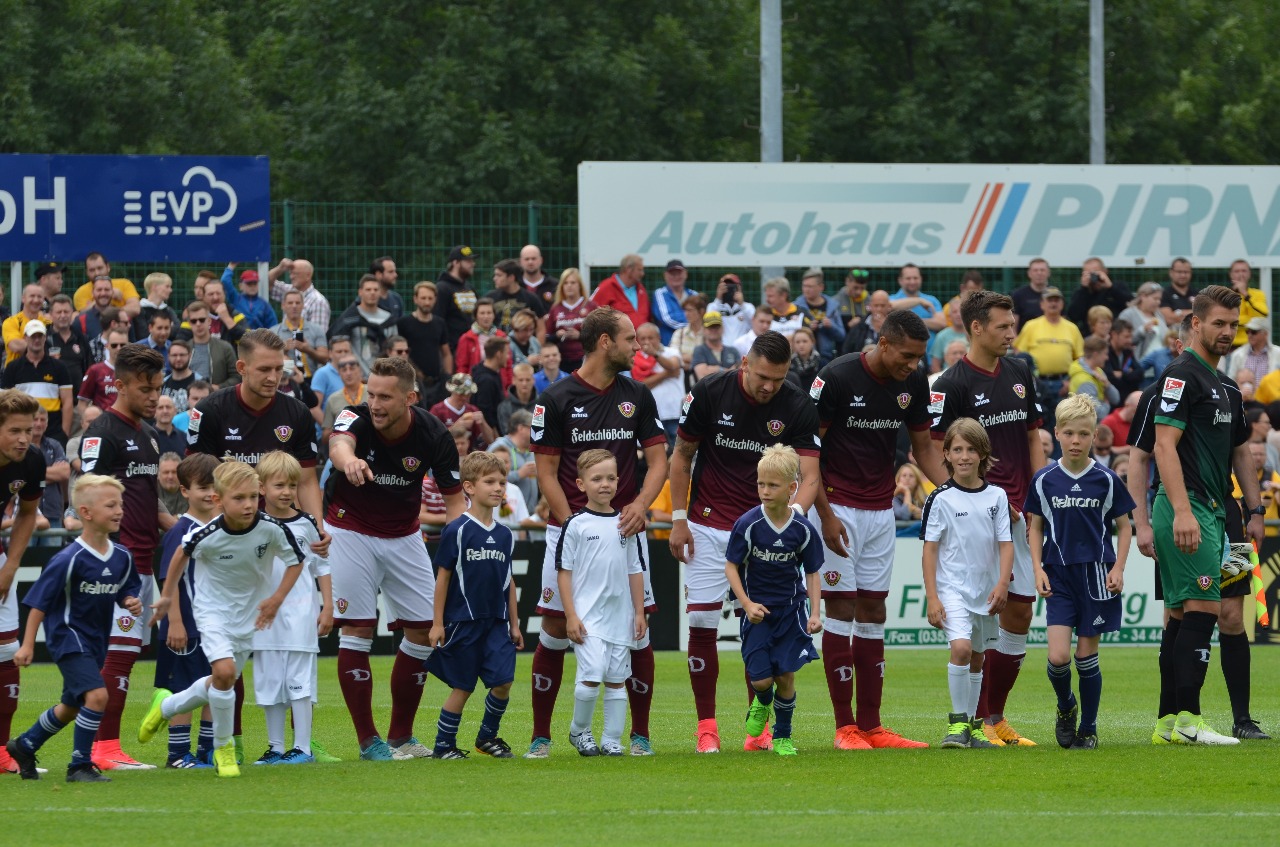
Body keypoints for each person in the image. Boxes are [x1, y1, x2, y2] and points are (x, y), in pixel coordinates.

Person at [670, 331, 820, 754]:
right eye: (762, 377)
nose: (770, 386)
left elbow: (809, 476)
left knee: (764, 626)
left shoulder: (797, 404)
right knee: (700, 623)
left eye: (778, 377)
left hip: (763, 533)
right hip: (707, 524)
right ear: (744, 365)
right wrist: (679, 519)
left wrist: (793, 523)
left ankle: (759, 731)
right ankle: (707, 728)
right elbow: (681, 456)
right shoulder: (709, 391)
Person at [527, 307, 667, 759]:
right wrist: (573, 524)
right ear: (605, 341)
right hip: (569, 530)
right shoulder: (555, 397)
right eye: (630, 339)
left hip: (626, 530)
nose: (638, 347)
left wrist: (641, 506)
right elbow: (545, 472)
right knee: (554, 624)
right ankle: (542, 736)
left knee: (635, 629)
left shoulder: (638, 396)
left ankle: (638, 735)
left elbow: (659, 461)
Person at [1128, 315, 1270, 741]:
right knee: (1186, 609)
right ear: (1186, 335)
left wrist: (1255, 509)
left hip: (1226, 510)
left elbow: (1241, 453)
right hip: (1182, 507)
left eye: (1233, 326)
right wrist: (1142, 524)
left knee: (1233, 612)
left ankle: (1242, 719)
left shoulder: (1229, 390)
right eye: (1217, 325)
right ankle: (1176, 717)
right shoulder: (1162, 392)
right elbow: (1140, 458)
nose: (1226, 334)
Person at [807, 309, 945, 750]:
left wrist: (955, 492)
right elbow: (809, 454)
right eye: (906, 355)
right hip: (837, 508)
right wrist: (825, 515)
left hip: (881, 511)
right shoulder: (837, 377)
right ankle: (844, 727)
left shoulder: (914, 382)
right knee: (842, 610)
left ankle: (872, 726)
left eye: (919, 357)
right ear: (883, 343)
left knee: (873, 613)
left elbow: (923, 447)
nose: (913, 365)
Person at [326, 356, 465, 760]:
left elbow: (455, 502)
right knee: (357, 629)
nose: (375, 403)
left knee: (424, 631)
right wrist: (348, 460)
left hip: (404, 534)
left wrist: (460, 549)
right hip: (347, 528)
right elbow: (339, 443)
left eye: (385, 396)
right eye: (371, 393)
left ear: (411, 398)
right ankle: (369, 741)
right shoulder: (355, 416)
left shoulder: (434, 434)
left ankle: (401, 738)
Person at [140, 461, 307, 778]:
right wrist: (166, 596)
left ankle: (166, 706)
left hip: (249, 618)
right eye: (238, 498)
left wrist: (275, 600)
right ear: (219, 500)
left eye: (252, 498)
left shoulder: (271, 529)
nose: (247, 505)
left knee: (223, 680)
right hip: (212, 613)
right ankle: (224, 748)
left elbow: (295, 562)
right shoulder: (207, 533)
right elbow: (178, 556)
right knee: (226, 672)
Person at [930, 289, 1044, 746]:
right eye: (1002, 326)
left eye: (1012, 324)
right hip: (979, 517)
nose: (1011, 332)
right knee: (984, 617)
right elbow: (937, 452)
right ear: (975, 328)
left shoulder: (1019, 372)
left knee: (1020, 612)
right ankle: (977, 720)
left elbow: (1033, 437)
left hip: (1022, 513)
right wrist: (972, 501)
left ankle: (994, 718)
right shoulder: (949, 384)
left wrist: (1039, 497)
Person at [5, 475, 141, 782]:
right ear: (86, 512)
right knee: (97, 697)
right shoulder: (69, 558)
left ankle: (25, 744)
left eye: (120, 504)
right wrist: (27, 645)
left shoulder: (121, 556)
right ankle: (79, 765)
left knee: (71, 705)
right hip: (68, 638)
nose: (119, 510)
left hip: (96, 641)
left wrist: (131, 601)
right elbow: (39, 603)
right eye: (111, 505)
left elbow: (124, 590)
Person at [77, 343, 169, 770]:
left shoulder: (149, 436)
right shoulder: (104, 432)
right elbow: (88, 494)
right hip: (116, 563)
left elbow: (148, 503)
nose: (154, 397)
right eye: (146, 388)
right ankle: (103, 748)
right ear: (120, 384)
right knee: (117, 656)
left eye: (158, 388)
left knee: (125, 656)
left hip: (143, 562)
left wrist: (182, 527)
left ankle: (100, 746)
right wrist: (104, 556)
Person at [1024, 394, 1135, 749]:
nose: (1075, 440)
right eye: (1069, 433)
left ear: (1094, 436)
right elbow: (1036, 526)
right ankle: (1066, 706)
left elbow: (1125, 526)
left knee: (1086, 657)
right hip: (1058, 575)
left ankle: (1088, 727)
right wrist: (1037, 567)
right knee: (1057, 658)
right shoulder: (1044, 479)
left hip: (1096, 577)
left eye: (1083, 434)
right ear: (1056, 433)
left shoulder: (1105, 479)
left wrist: (1118, 567)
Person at [921, 418, 1013, 749]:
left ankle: (974, 727)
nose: (964, 456)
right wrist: (932, 597)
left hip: (985, 592)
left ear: (982, 454)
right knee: (960, 649)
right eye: (957, 449)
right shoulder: (940, 499)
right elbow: (929, 550)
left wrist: (1002, 584)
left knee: (977, 657)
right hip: (952, 590)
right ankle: (957, 724)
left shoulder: (997, 496)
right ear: (945, 454)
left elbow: (1006, 543)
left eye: (971, 449)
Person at [726, 445, 823, 758]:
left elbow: (812, 572)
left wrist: (815, 613)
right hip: (757, 614)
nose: (764, 491)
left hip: (791, 613)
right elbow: (731, 567)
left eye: (772, 485)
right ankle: (762, 702)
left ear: (792, 489)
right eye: (760, 484)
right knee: (762, 679)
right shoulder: (748, 525)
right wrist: (746, 603)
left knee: (785, 676)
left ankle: (782, 735)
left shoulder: (803, 530)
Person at [425, 451, 522, 759]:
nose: (498, 488)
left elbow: (509, 580)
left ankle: (486, 737)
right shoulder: (457, 529)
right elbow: (442, 579)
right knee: (463, 687)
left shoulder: (505, 534)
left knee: (504, 681)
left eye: (502, 482)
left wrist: (515, 623)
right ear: (468, 487)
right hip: (463, 622)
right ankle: (443, 746)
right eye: (490, 481)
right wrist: (437, 623)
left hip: (497, 622)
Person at [557, 449, 648, 757]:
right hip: (587, 617)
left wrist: (639, 612)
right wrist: (570, 615)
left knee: (616, 679)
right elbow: (564, 573)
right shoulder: (576, 524)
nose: (604, 484)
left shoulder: (625, 522)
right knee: (592, 672)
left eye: (610, 478)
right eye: (596, 479)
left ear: (619, 481)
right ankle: (579, 730)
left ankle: (611, 739)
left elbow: (635, 569)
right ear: (581, 484)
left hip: (619, 616)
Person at [251, 451, 333, 765]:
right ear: (261, 488)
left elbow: (321, 566)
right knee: (270, 681)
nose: (286, 492)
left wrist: (326, 607)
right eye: (279, 485)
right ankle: (275, 748)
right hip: (264, 618)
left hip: (301, 614)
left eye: (292, 486)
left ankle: (302, 749)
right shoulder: (252, 523)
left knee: (299, 680)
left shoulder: (307, 523)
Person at [152, 452, 220, 768]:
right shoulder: (181, 532)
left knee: (214, 683)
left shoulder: (221, 528)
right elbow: (170, 580)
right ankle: (177, 754)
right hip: (185, 627)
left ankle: (207, 749)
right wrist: (175, 623)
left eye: (216, 486)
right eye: (203, 487)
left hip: (213, 625)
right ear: (184, 491)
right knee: (185, 689)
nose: (210, 493)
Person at [0, 391, 46, 775]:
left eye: (28, 431)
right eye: (14, 430)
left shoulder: (31, 460)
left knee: (5, 651)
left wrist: (12, 565)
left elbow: (27, 513)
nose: (23, 439)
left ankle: (1, 749)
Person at [1013, 286, 1081, 434]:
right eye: (1049, 300)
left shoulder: (1072, 328)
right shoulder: (1031, 326)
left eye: (1057, 300)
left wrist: (1070, 380)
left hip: (1062, 384)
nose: (1053, 304)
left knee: (1062, 422)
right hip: (1037, 384)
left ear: (1062, 304)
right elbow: (1019, 353)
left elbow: (1079, 359)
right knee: (1039, 422)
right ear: (1042, 304)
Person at [2, 320, 73, 445]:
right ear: (25, 338)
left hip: (53, 431)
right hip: (23, 431)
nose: (37, 340)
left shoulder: (59, 367)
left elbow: (67, 401)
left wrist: (64, 433)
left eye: (40, 336)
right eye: (33, 336)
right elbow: (4, 402)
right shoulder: (13, 367)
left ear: (45, 338)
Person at [396, 281, 452, 405]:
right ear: (415, 299)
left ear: (435, 300)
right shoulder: (404, 323)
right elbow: (398, 352)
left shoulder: (440, 323)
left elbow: (446, 353)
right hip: (413, 382)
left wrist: (447, 377)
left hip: (437, 383)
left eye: (430, 298)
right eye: (423, 298)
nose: (427, 302)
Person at [330, 275, 397, 373]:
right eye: (368, 289)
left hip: (384, 375)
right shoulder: (350, 318)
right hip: (357, 375)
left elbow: (395, 346)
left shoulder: (388, 318)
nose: (372, 293)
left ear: (380, 292)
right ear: (360, 292)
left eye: (375, 289)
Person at [632, 323, 683, 446]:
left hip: (674, 412)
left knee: (677, 453)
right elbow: (641, 385)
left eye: (650, 338)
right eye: (643, 339)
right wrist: (666, 374)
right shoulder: (635, 359)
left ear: (659, 338)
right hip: (651, 415)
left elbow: (672, 366)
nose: (647, 342)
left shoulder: (671, 351)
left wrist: (654, 354)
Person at [272, 289, 329, 386]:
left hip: (312, 380)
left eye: (297, 303)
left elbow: (325, 358)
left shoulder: (316, 329)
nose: (294, 306)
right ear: (283, 306)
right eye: (290, 303)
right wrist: (282, 349)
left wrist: (308, 350)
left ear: (303, 305)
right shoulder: (274, 332)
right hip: (285, 381)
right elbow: (267, 359)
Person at [546, 268, 595, 372]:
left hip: (585, 359)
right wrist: (557, 336)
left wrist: (579, 336)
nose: (569, 286)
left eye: (573, 282)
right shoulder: (556, 308)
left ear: (579, 285)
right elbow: (547, 337)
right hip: (561, 361)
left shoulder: (590, 306)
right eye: (566, 283)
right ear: (561, 286)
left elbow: (599, 334)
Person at [1068, 257, 1131, 337]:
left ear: (1105, 271)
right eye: (1088, 274)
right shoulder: (1082, 293)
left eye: (1096, 272)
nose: (1093, 277)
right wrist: (1084, 289)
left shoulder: (1118, 287)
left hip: (1115, 337)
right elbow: (1074, 316)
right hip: (1091, 338)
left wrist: (1111, 287)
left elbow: (1130, 304)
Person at [488, 409, 537, 511]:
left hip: (530, 516)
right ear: (521, 428)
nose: (536, 431)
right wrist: (518, 474)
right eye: (532, 428)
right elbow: (486, 477)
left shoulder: (532, 449)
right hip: (505, 514)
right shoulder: (499, 447)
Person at [181, 302, 239, 389]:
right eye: (194, 321)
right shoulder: (184, 349)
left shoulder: (225, 348)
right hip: (189, 398)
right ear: (189, 323)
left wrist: (218, 387)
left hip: (216, 398)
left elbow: (237, 377)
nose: (198, 324)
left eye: (202, 320)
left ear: (209, 321)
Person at [267, 258, 331, 336]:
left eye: (295, 274)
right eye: (290, 273)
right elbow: (264, 283)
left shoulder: (318, 301)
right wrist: (280, 268)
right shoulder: (289, 291)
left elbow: (317, 337)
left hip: (303, 346)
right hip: (285, 344)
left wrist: (294, 341)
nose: (291, 277)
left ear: (308, 275)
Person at [46, 294, 91, 401]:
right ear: (51, 314)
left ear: (72, 313)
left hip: (77, 401)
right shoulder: (43, 338)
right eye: (58, 312)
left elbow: (89, 369)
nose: (63, 315)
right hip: (51, 401)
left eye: (66, 312)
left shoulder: (81, 338)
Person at [794, 268, 845, 363]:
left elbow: (841, 336)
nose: (806, 290)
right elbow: (793, 333)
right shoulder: (795, 307)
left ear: (821, 287)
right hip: (802, 359)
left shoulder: (833, 307)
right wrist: (807, 328)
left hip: (826, 358)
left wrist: (831, 326)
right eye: (804, 286)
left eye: (810, 286)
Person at [486, 259, 546, 338]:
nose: (494, 278)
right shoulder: (490, 298)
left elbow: (541, 329)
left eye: (499, 275)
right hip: (498, 345)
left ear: (511, 277)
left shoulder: (531, 299)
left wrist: (537, 349)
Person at [432, 373, 492, 450]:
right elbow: (432, 440)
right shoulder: (437, 410)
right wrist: (455, 427)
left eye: (468, 394)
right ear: (452, 391)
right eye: (461, 394)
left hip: (468, 457)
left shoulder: (472, 410)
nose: (464, 398)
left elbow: (491, 441)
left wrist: (483, 423)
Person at [436, 245, 480, 350]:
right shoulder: (442, 288)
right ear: (455, 263)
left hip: (472, 346)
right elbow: (438, 321)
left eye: (472, 261)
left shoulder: (469, 287)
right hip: (453, 348)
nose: (473, 264)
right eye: (468, 261)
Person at [73, 254, 141, 319]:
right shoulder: (80, 292)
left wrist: (93, 307)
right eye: (92, 270)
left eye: (100, 268)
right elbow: (82, 317)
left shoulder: (125, 284)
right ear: (87, 272)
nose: (97, 273)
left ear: (108, 267)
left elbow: (135, 309)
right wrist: (106, 296)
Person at [591, 254, 650, 329]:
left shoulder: (641, 290)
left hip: (642, 339)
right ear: (628, 269)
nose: (642, 273)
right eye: (639, 270)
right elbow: (592, 314)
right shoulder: (606, 287)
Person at [455, 298, 507, 380]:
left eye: (489, 313)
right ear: (476, 316)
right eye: (482, 313)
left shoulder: (502, 337)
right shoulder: (466, 338)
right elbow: (462, 367)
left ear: (494, 315)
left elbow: (508, 364)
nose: (486, 316)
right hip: (476, 383)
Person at [1068, 337, 1119, 420]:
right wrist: (1106, 403)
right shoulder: (1084, 380)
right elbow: (1097, 414)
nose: (1107, 358)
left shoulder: (1098, 370)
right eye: (1105, 354)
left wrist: (1108, 385)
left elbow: (1116, 399)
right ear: (1095, 354)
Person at [1221, 317, 1280, 388]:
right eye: (1247, 332)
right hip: (1244, 398)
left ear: (1265, 334)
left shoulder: (1277, 353)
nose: (1250, 335)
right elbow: (1231, 381)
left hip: (1271, 397)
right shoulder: (1237, 354)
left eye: (1254, 332)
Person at [321, 354, 366, 444]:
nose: (348, 373)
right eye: (344, 370)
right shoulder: (333, 399)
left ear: (360, 370)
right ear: (339, 373)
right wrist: (341, 427)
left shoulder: (372, 393)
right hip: (344, 446)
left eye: (352, 368)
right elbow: (325, 438)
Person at [1118, 281, 1168, 361]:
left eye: (1159, 299)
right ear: (1143, 296)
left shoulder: (1159, 315)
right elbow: (1120, 340)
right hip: (1140, 361)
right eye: (1155, 298)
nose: (1158, 302)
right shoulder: (1128, 314)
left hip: (1162, 361)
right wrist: (1142, 330)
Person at [888, 264, 945, 332]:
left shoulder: (932, 300)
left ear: (921, 279)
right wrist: (919, 301)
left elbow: (942, 323)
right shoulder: (891, 299)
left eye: (915, 278)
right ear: (900, 280)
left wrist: (914, 322)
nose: (912, 282)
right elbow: (890, 306)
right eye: (908, 278)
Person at [3, 284, 50, 365]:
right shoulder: (11, 322)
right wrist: (44, 346)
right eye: (32, 296)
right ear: (23, 298)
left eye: (39, 297)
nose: (36, 300)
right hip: (16, 372)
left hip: (43, 371)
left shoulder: (48, 323)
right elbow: (16, 346)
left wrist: (27, 344)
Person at [218, 266, 277, 330]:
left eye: (255, 283)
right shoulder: (235, 299)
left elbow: (273, 326)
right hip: (237, 337)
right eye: (249, 283)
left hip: (257, 338)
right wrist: (231, 266)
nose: (252, 286)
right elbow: (225, 281)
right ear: (240, 286)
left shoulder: (264, 304)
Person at [471, 336, 509, 434]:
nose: (508, 357)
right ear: (499, 354)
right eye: (506, 353)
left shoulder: (490, 372)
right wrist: (495, 437)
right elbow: (485, 412)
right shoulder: (486, 380)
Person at [1228, 259, 1268, 349]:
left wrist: (1245, 294)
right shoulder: (1224, 295)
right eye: (1237, 271)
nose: (1241, 274)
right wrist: (1249, 319)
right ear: (1231, 274)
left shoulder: (1258, 294)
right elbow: (1225, 319)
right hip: (1228, 344)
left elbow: (1262, 315)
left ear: (1249, 274)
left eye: (1244, 271)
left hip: (1252, 345)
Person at [708, 273, 756, 347]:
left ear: (739, 288)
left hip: (742, 350)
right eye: (725, 286)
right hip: (722, 349)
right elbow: (709, 322)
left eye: (732, 286)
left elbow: (755, 323)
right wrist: (718, 299)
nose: (728, 290)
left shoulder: (748, 307)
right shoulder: (714, 306)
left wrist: (742, 304)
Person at [841, 289, 892, 355]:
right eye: (876, 305)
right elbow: (846, 351)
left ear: (889, 306)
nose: (879, 309)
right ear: (870, 306)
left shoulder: (895, 328)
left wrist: (886, 329)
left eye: (882, 306)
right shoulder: (859, 326)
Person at [1105, 319, 1145, 401]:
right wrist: (1129, 374)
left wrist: (1122, 375)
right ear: (1114, 334)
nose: (1129, 341)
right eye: (1126, 337)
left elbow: (1140, 374)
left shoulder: (1128, 352)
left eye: (1130, 337)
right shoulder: (1105, 353)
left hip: (1128, 399)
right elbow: (1110, 378)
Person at [495, 363, 538, 437]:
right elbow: (507, 433)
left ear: (533, 380)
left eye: (528, 380)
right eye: (521, 380)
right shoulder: (504, 407)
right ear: (514, 380)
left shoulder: (542, 405)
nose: (524, 383)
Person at [670, 294, 707, 376]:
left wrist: (687, 358)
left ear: (701, 311)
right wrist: (698, 361)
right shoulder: (679, 333)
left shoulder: (709, 333)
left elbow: (712, 360)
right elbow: (673, 357)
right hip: (684, 379)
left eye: (690, 310)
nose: (686, 314)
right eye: (685, 310)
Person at [927, 298, 967, 373]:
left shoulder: (974, 334)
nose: (958, 314)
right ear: (949, 316)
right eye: (954, 312)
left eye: (961, 311)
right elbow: (935, 364)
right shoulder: (941, 336)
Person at [1010, 258, 1051, 326]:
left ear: (1048, 273)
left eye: (1042, 270)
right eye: (1035, 270)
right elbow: (1013, 325)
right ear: (1029, 273)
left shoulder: (1056, 296)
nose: (1039, 273)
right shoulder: (1018, 295)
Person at [1160, 257, 1198, 327]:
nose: (1183, 275)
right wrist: (1195, 313)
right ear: (1171, 273)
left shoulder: (1198, 293)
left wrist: (1178, 313)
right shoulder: (1164, 294)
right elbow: (1168, 319)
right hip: (1175, 335)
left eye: (1186, 272)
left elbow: (1206, 315)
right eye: (1179, 272)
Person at [369, 257, 405, 322]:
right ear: (378, 274)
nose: (395, 275)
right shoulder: (366, 300)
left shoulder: (396, 299)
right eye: (391, 272)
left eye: (395, 271)